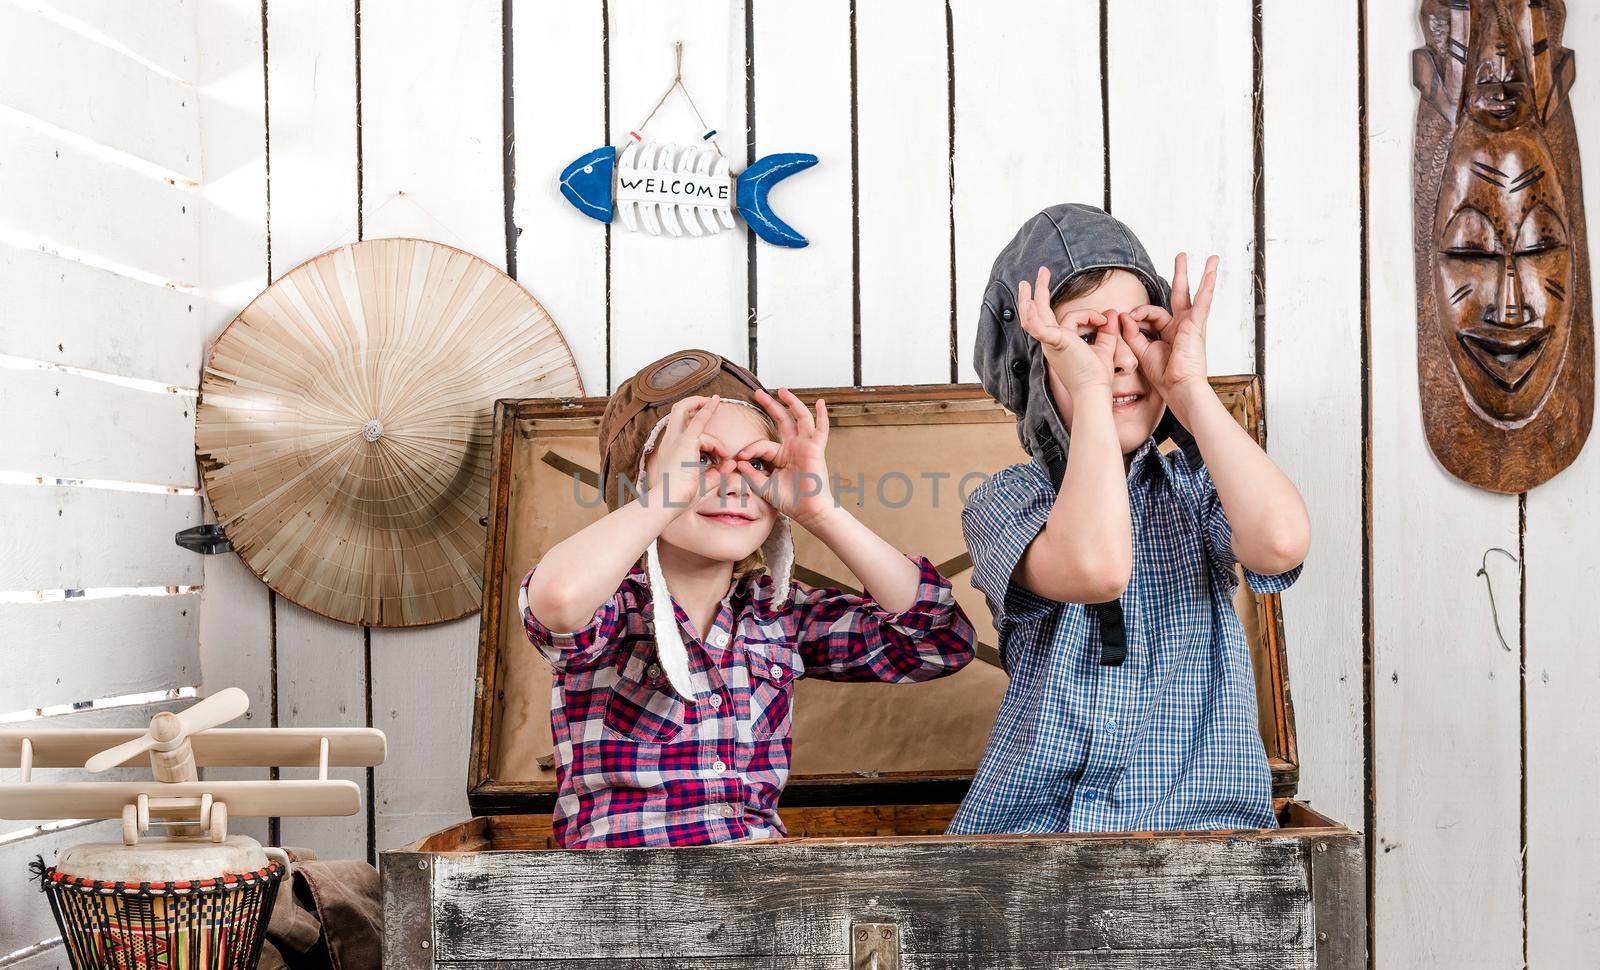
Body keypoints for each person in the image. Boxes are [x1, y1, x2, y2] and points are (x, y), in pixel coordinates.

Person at [948, 204, 1311, 834]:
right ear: (1035, 370)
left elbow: (1279, 543)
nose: (1118, 358)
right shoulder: (1005, 502)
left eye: (1139, 331)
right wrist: (1088, 392)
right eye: (1086, 338)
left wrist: (1189, 387)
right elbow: (1098, 567)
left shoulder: (1194, 485)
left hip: (1207, 829)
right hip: (1036, 836)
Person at [521, 349, 976, 848]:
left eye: (758, 462)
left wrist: (821, 512)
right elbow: (558, 602)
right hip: (621, 899)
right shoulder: (613, 605)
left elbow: (937, 642)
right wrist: (665, 496)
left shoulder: (778, 613)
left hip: (759, 890)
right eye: (701, 460)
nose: (735, 483)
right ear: (641, 482)